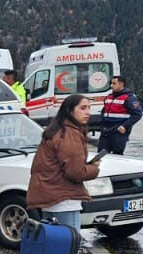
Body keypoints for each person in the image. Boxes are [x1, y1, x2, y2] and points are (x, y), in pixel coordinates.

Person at [25, 93, 102, 235]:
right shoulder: (69, 134)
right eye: (83, 108)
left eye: (89, 108)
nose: (88, 112)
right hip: (64, 200)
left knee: (53, 243)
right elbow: (75, 172)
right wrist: (94, 168)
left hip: (49, 197)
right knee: (70, 243)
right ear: (70, 110)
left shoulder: (57, 130)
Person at [96, 74, 142, 155]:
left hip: (118, 132)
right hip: (106, 131)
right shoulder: (108, 97)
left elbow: (137, 114)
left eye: (114, 83)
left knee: (117, 156)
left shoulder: (129, 98)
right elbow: (104, 112)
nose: (111, 86)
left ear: (121, 84)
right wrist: (101, 123)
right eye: (111, 83)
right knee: (101, 154)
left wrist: (125, 126)